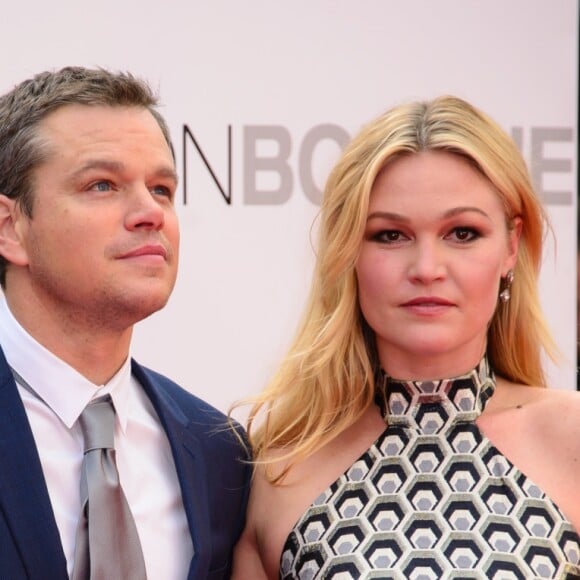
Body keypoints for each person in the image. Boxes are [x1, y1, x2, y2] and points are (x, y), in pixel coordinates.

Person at [232, 95, 580, 579]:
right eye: (390, 236)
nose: (426, 269)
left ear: (511, 248)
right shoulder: (282, 465)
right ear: (347, 252)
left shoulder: (573, 438)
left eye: (462, 233)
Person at [0, 67, 250, 580]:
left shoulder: (221, 453)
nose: (148, 213)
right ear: (11, 229)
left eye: (161, 189)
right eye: (102, 185)